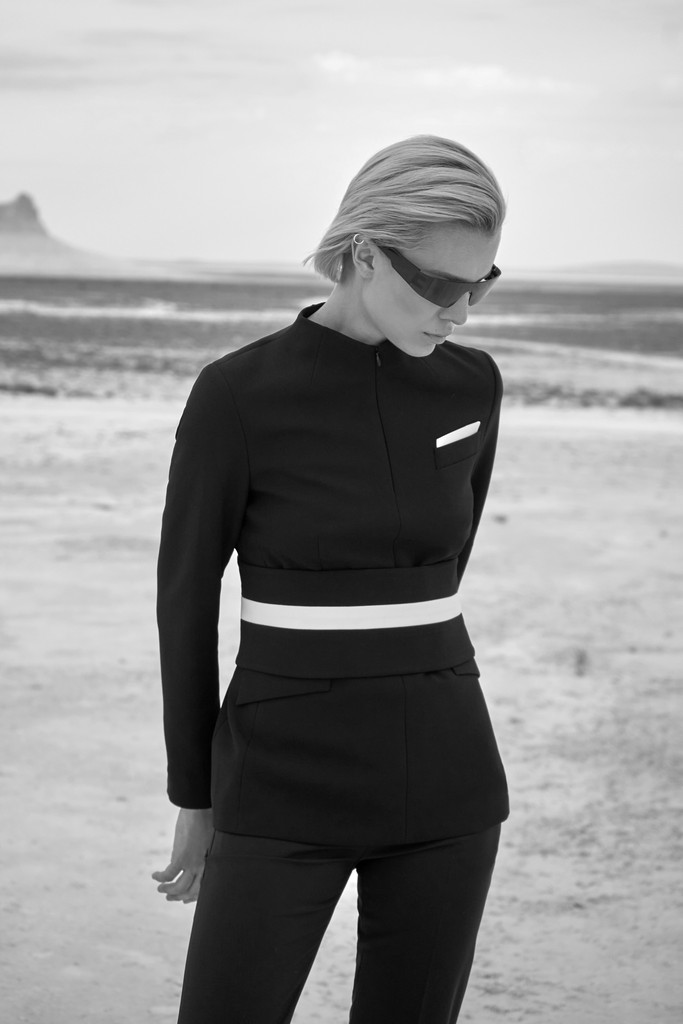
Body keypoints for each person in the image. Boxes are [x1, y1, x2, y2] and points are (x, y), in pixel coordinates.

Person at [151, 133, 510, 1024]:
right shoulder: (238, 395)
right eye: (439, 285)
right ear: (362, 252)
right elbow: (185, 601)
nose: (459, 313)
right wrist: (195, 792)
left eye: (480, 286)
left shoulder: (472, 386)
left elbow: (442, 567)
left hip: (447, 778)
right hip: (278, 777)